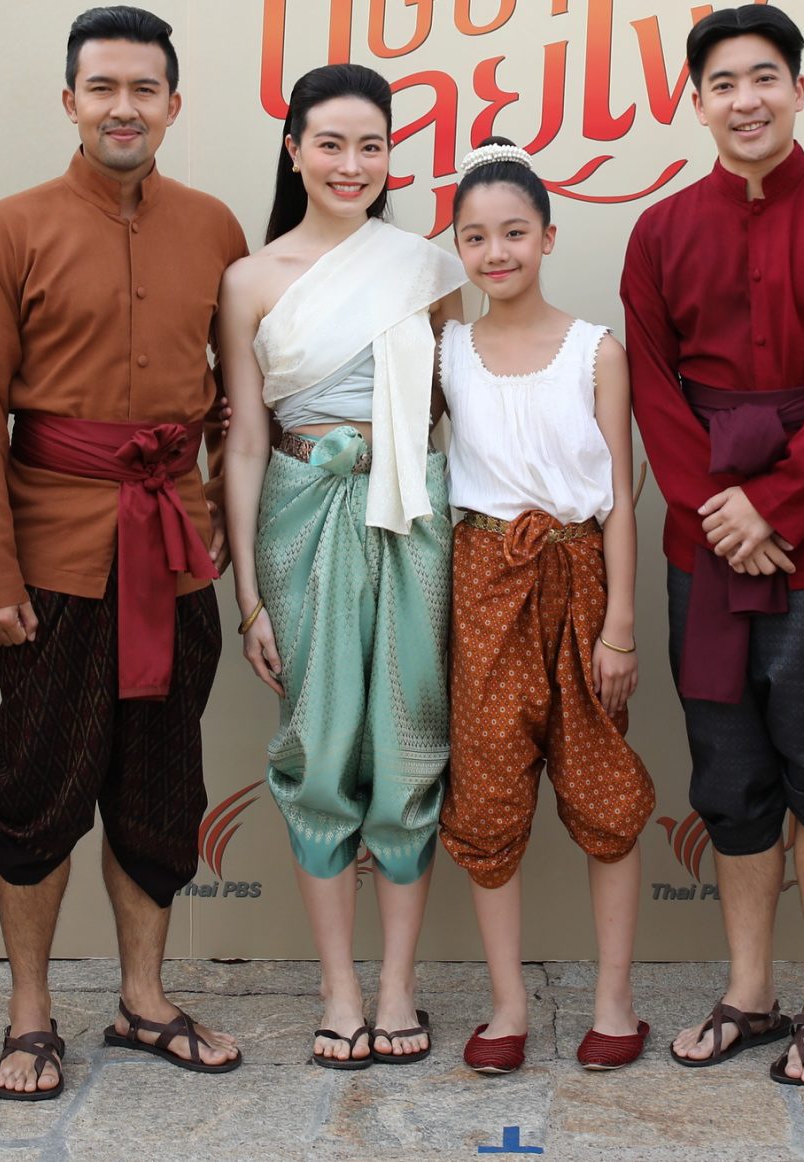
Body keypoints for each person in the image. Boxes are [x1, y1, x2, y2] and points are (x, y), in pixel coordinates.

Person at [0, 6, 251, 1095]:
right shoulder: (10, 229)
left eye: (144, 89)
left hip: (173, 552)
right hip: (51, 561)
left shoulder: (215, 227)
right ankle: (30, 1012)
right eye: (103, 87)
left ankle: (144, 998)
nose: (125, 108)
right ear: (69, 100)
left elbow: (236, 402)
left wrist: (226, 525)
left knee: (161, 782)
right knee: (39, 782)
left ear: (174, 103)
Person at [620, 4, 804, 1088]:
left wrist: (775, 506)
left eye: (765, 77)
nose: (746, 100)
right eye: (724, 83)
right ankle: (748, 992)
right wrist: (718, 511)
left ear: (797, 88)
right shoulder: (660, 232)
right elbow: (652, 389)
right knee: (730, 772)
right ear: (695, 101)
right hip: (704, 541)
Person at [217, 64, 465, 1068]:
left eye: (372, 145)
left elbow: (451, 415)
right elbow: (242, 441)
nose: (351, 164)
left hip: (412, 517)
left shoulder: (427, 268)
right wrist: (246, 595)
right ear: (294, 150)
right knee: (317, 750)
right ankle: (340, 988)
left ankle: (398, 986)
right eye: (330, 143)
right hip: (298, 512)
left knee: (409, 741)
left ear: (391, 154)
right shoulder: (249, 279)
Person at [437, 139, 655, 1076]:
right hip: (483, 582)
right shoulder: (446, 350)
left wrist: (620, 629)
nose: (497, 252)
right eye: (475, 236)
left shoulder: (595, 351)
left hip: (579, 579)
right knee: (488, 793)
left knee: (602, 789)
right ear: (456, 245)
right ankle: (508, 1004)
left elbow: (621, 500)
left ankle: (614, 1001)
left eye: (515, 232)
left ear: (549, 237)